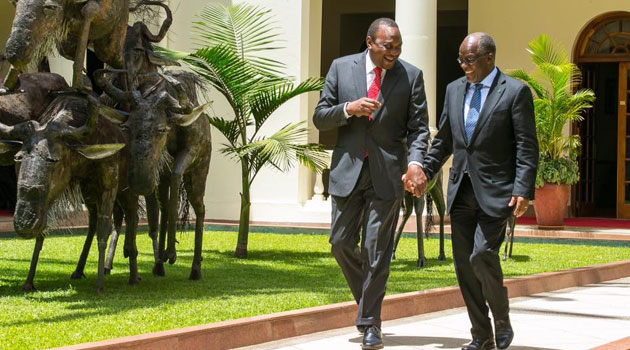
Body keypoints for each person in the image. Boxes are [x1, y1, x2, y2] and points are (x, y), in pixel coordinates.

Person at [415, 32, 538, 350]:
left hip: (497, 191)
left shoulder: (514, 92)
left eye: (469, 60)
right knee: (464, 266)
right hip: (461, 190)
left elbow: (527, 145)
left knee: (482, 255)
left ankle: (501, 316)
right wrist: (425, 171)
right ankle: (481, 335)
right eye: (460, 59)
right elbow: (444, 140)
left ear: (489, 58)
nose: (463, 65)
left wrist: (523, 188)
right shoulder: (454, 90)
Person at [313, 18, 430, 350]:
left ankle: (370, 323)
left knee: (376, 250)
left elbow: (419, 128)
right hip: (348, 170)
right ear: (370, 42)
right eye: (387, 46)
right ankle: (368, 302)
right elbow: (320, 115)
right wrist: (348, 108)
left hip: (387, 173)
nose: (394, 52)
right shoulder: (340, 68)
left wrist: (415, 162)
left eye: (398, 47)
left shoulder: (411, 76)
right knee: (340, 243)